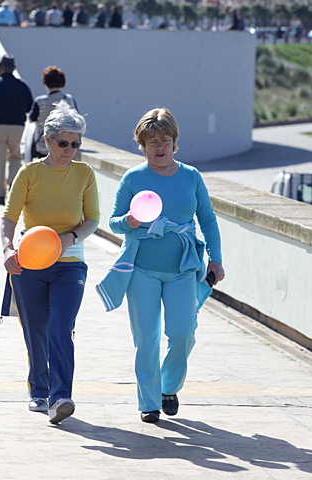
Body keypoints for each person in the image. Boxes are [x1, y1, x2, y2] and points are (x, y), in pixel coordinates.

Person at [96, 108, 225, 423]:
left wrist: (216, 258)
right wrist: (129, 220)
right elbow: (114, 222)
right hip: (142, 269)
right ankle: (149, 402)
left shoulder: (191, 176)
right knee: (147, 337)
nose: (159, 147)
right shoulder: (134, 178)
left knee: (183, 333)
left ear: (174, 141)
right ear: (142, 145)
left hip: (183, 269)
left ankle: (169, 386)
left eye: (165, 140)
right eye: (152, 141)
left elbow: (207, 219)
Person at [0, 100, 100, 424]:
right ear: (47, 139)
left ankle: (60, 397)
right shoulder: (29, 173)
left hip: (69, 262)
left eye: (76, 143)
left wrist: (69, 239)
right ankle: (38, 389)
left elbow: (93, 220)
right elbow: (8, 218)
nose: (70, 149)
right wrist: (7, 249)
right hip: (29, 263)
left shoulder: (84, 174)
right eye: (63, 143)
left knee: (60, 326)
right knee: (36, 330)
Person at [0, 54, 33, 205]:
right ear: (14, 69)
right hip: (17, 128)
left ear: (0, 68)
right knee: (15, 159)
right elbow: (31, 108)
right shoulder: (22, 86)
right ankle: (14, 192)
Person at [29, 66, 77, 158]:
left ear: (45, 82)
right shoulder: (70, 99)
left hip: (44, 145)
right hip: (65, 146)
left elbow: (31, 118)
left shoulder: (40, 101)